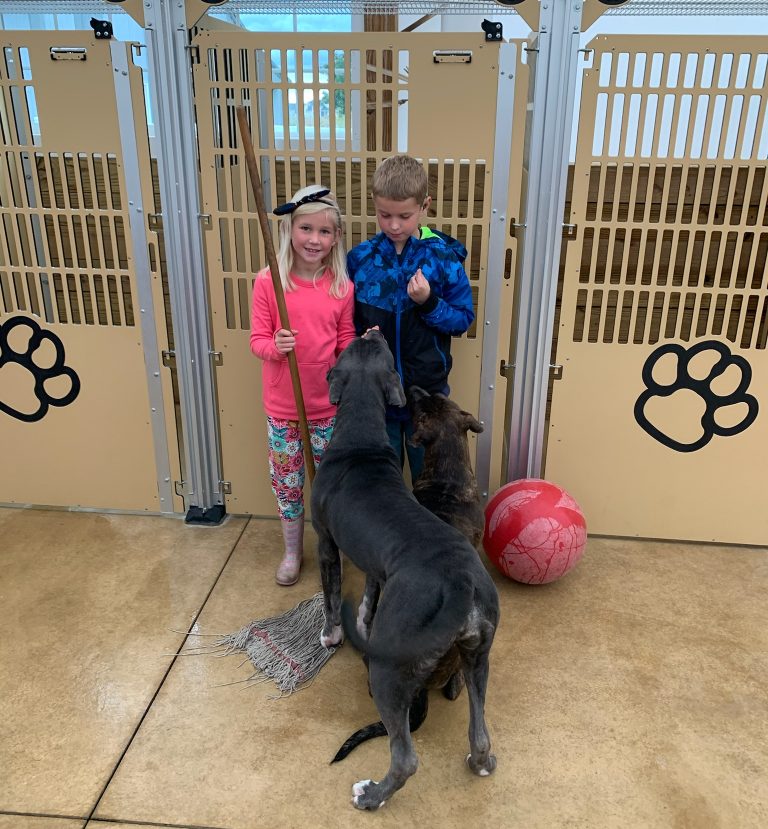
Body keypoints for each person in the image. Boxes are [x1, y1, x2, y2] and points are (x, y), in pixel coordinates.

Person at [250, 185, 355, 586]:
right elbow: (256, 340)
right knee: (288, 482)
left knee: (331, 486)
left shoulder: (342, 287)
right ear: (289, 230)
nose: (314, 239)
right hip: (283, 409)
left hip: (327, 407)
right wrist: (275, 346)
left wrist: (355, 354)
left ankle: (332, 547)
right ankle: (293, 552)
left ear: (336, 237)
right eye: (306, 228)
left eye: (324, 232)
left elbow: (344, 339)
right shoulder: (270, 282)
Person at [346, 154, 475, 481]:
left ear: (425, 205)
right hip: (376, 398)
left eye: (404, 216)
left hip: (427, 399)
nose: (393, 225)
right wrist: (358, 342)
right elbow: (345, 324)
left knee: (428, 481)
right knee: (380, 483)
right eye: (384, 214)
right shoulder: (360, 260)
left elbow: (462, 319)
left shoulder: (444, 260)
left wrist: (429, 302)